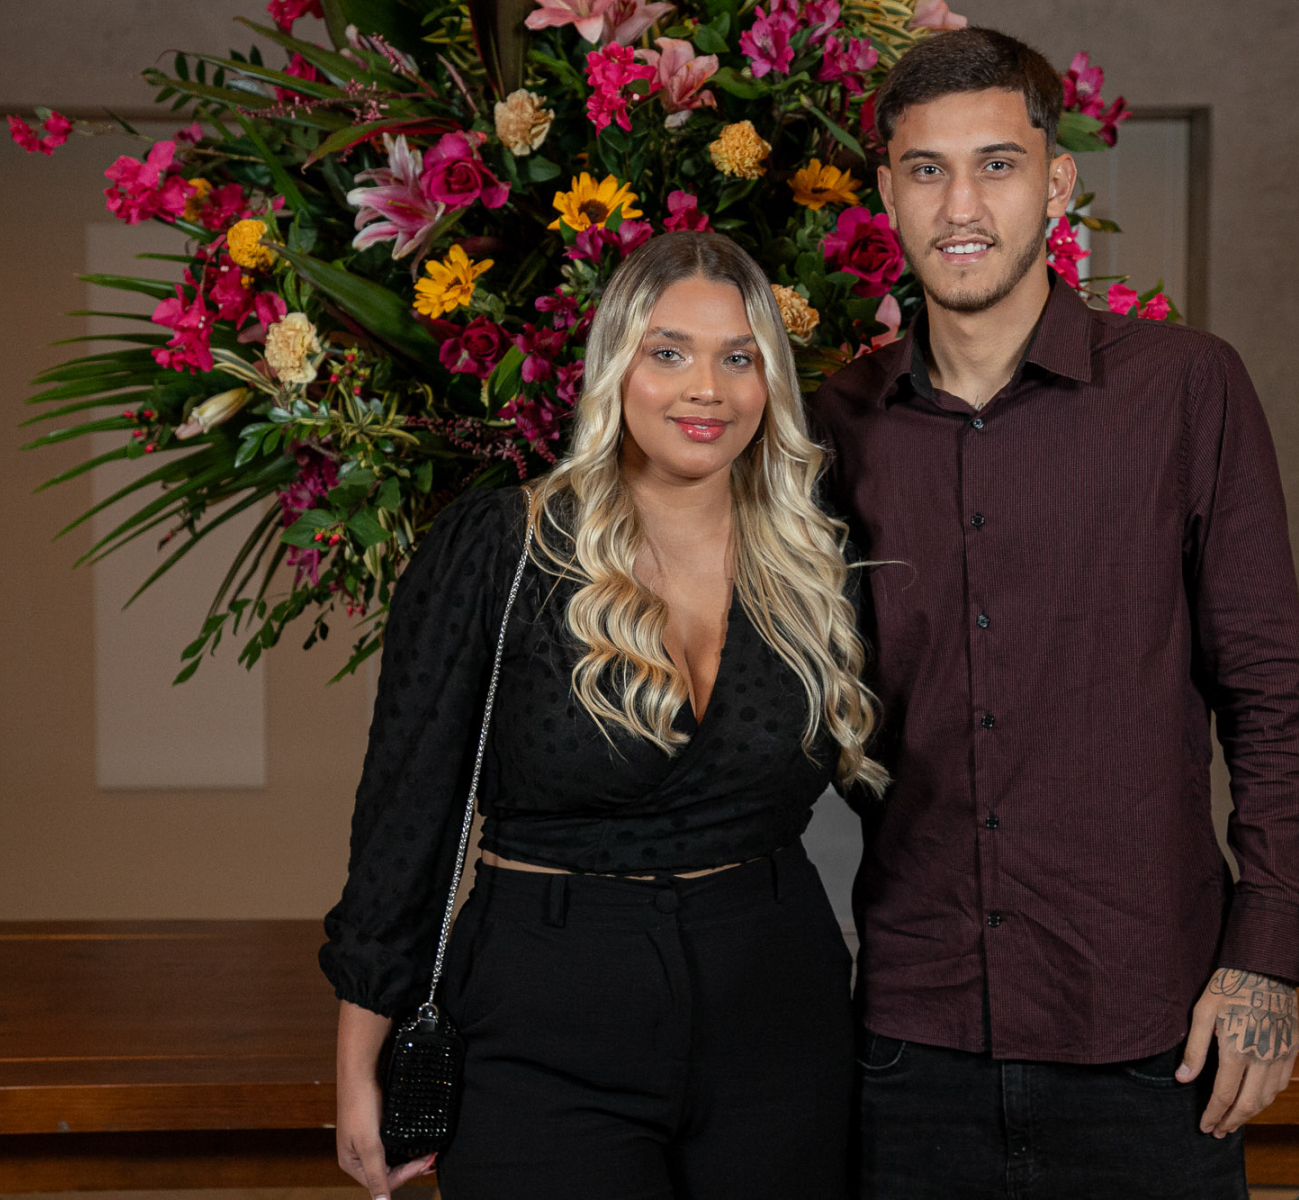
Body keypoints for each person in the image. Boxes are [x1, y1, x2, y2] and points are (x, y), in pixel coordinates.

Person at [808, 28, 1299, 1200]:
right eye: (927, 169)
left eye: (996, 165)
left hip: (1152, 1034)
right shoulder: (834, 423)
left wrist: (1266, 959)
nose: (961, 206)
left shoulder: (1185, 389)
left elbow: (1268, 693)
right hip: (915, 1039)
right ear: (887, 193)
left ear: (1056, 183)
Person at [319, 230, 885, 1200]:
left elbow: (918, 790)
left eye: (739, 358)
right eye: (669, 352)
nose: (706, 389)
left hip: (777, 1011)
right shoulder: (503, 547)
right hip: (546, 1013)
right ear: (616, 366)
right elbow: (405, 820)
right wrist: (356, 1061)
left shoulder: (818, 561)